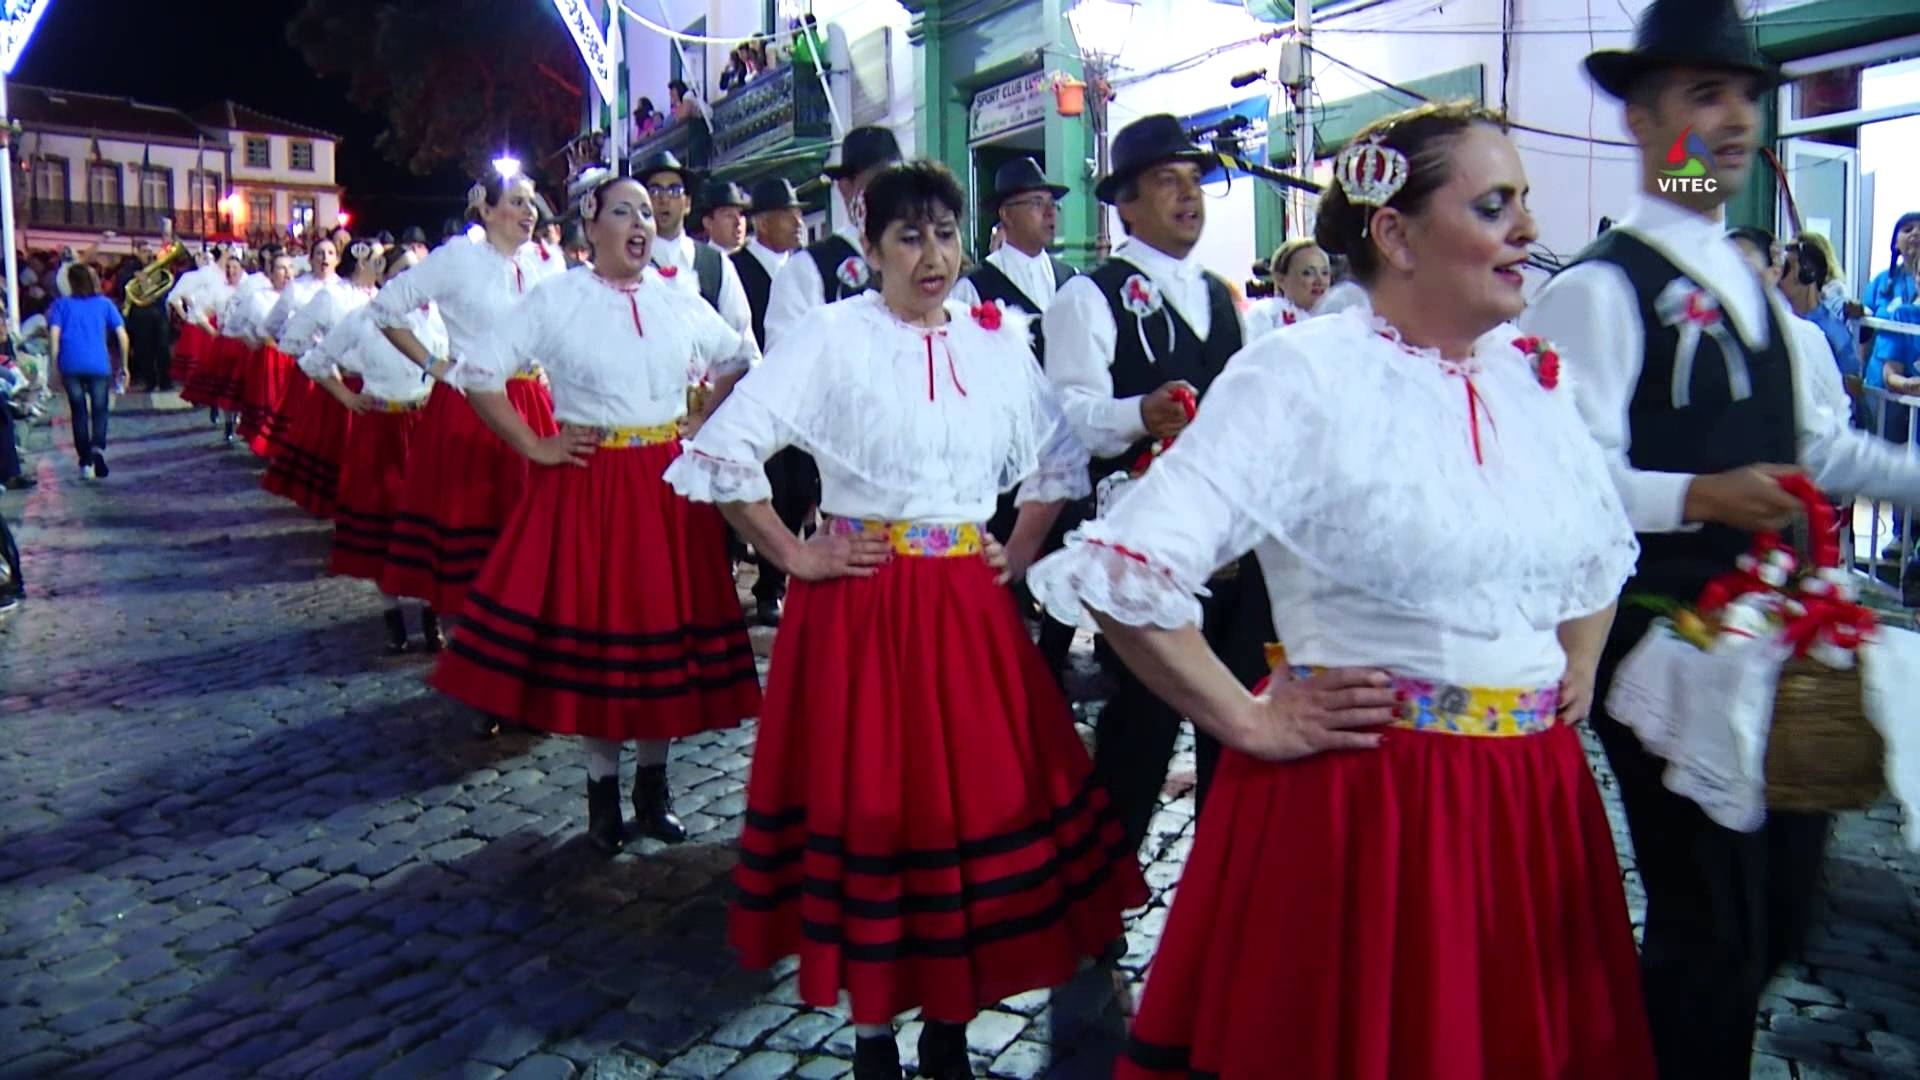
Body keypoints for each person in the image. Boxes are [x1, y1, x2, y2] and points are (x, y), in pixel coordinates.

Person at [1029, 98, 1657, 1080]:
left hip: (1531, 812)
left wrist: (1570, 662)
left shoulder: (1532, 380)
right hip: (1372, 813)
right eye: (1496, 205)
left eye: (1525, 202)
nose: (1530, 232)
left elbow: (1599, 549)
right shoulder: (1302, 373)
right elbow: (1127, 570)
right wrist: (1247, 721)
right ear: (1396, 233)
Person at [666, 160, 1143, 1080]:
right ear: (872, 246)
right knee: (876, 806)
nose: (934, 255)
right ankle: (874, 1032)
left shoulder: (998, 339)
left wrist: (1024, 546)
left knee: (962, 813)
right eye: (910, 236)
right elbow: (723, 451)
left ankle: (949, 1027)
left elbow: (1054, 462)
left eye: (946, 234)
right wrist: (796, 555)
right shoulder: (832, 337)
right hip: (864, 606)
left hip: (965, 609)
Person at [1521, 4, 1920, 1075]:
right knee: (1711, 923)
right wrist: (1700, 491)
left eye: (1745, 95)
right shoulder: (1600, 293)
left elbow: (1823, 449)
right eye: (1705, 96)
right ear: (1646, 122)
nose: (1736, 120)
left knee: (1780, 915)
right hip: (1657, 639)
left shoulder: (1763, 297)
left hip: (1776, 640)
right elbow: (1564, 479)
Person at [430, 175, 762, 850]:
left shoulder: (676, 298)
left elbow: (739, 354)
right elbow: (478, 371)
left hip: (667, 487)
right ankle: (602, 792)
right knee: (603, 642)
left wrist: (700, 417)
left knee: (663, 640)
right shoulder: (558, 298)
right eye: (623, 211)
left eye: (646, 210)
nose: (640, 221)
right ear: (592, 226)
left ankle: (654, 785)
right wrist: (534, 443)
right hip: (593, 485)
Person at [1042, 113, 1274, 858]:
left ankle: (1221, 901)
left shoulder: (1220, 296)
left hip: (1231, 546)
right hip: (1145, 544)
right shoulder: (1091, 296)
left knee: (1234, 727)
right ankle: (1102, 895)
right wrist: (1138, 413)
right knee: (1139, 727)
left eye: (1195, 181)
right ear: (1127, 204)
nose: (1188, 197)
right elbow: (1071, 416)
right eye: (1166, 183)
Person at [371, 171, 564, 650]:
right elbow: (386, 309)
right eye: (517, 202)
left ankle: (522, 630)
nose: (528, 211)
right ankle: (472, 634)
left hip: (531, 402)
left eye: (531, 203)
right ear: (487, 209)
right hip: (472, 404)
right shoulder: (457, 259)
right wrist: (436, 365)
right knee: (470, 517)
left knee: (530, 521)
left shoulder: (547, 261)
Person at [950, 156, 1082, 682]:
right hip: (1004, 452)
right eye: (1037, 205)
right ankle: (1004, 660)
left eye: (1052, 206)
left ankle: (1051, 661)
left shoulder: (1073, 282)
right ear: (1004, 215)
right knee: (1008, 559)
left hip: (1066, 446)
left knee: (1068, 553)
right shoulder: (975, 287)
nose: (1050, 215)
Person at [300, 248, 445, 653]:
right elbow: (314, 360)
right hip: (379, 427)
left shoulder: (434, 318)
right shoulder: (363, 318)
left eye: (416, 275)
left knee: (428, 525)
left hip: (423, 427)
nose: (412, 284)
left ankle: (432, 616)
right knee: (384, 526)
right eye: (402, 274)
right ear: (384, 277)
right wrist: (346, 396)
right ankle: (393, 615)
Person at [730, 177, 811, 627]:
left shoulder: (804, 269)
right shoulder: (737, 268)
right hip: (756, 399)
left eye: (799, 212)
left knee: (799, 490)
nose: (798, 221)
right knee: (766, 488)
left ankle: (780, 577)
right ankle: (767, 584)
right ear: (761, 221)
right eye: (788, 213)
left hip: (802, 399)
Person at [261, 241, 380, 513]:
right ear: (362, 262)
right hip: (343, 385)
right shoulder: (332, 296)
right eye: (378, 260)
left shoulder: (383, 296)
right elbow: (290, 341)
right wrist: (325, 364)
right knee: (340, 456)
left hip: (379, 389)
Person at [763, 125, 901, 348]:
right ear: (845, 188)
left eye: (898, 182)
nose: (890, 194)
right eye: (878, 181)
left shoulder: (925, 260)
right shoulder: (807, 270)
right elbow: (786, 365)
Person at [639, 152, 752, 338]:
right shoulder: (629, 262)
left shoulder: (715, 264)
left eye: (674, 191)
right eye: (655, 191)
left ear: (688, 204)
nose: (664, 199)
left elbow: (744, 344)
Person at [248, 239, 342, 456]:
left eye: (330, 253)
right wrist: (289, 343)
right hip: (306, 363)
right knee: (302, 416)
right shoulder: (297, 288)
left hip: (338, 367)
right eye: (319, 253)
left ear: (337, 259)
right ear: (310, 259)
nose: (324, 258)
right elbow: (270, 325)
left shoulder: (344, 288)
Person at [47, 264, 129, 481]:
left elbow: (54, 338)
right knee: (100, 408)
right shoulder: (104, 304)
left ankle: (85, 460)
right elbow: (122, 336)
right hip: (98, 363)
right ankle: (97, 449)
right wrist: (124, 365)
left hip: (70, 363)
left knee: (79, 411)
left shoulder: (61, 305)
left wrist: (53, 368)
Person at [1245, 238, 1332, 337]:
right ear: (1281, 279)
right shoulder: (1266, 314)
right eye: (1308, 273)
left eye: (1325, 273)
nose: (1320, 281)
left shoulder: (1339, 317)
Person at [699, 180, 750, 254]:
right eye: (729, 215)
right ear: (708, 223)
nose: (738, 222)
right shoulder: (700, 262)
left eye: (741, 214)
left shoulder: (757, 258)